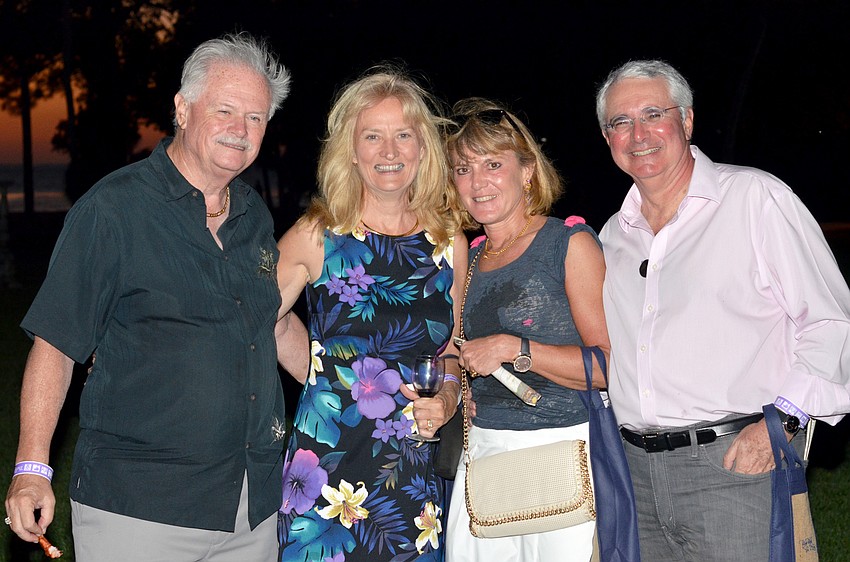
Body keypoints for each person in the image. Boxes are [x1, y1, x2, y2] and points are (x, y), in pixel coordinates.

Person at [4, 33, 294, 561]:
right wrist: (30, 469)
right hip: (139, 508)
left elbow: (271, 324)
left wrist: (356, 382)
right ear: (182, 109)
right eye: (225, 110)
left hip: (251, 509)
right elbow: (56, 344)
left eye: (255, 118)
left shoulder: (254, 215)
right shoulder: (113, 210)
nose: (240, 130)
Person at [596, 59, 850, 561]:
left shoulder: (755, 199)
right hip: (635, 478)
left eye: (653, 114)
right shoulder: (611, 237)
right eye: (620, 122)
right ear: (608, 139)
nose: (638, 133)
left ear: (687, 121)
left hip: (733, 465)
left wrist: (784, 423)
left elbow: (831, 322)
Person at [275, 67, 466, 561]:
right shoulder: (317, 235)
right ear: (351, 151)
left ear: (423, 147)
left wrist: (445, 400)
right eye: (373, 136)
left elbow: (451, 352)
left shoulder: (448, 244)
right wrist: (317, 373)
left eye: (403, 135)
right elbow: (255, 321)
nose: (389, 151)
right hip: (323, 472)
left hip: (409, 472)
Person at [444, 98, 610, 561]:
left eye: (493, 164)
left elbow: (610, 367)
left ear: (528, 170)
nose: (478, 182)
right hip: (484, 453)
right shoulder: (468, 259)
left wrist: (514, 348)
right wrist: (453, 389)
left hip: (563, 453)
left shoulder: (568, 243)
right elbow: (454, 353)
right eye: (462, 169)